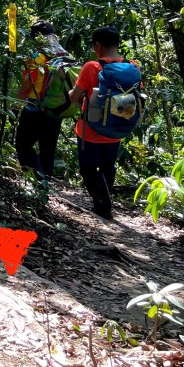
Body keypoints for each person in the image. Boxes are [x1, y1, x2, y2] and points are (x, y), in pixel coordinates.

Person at [68, 25, 139, 220]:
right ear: (117, 44)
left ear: (98, 46)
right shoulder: (133, 67)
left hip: (90, 130)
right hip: (117, 128)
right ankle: (104, 203)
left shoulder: (92, 67)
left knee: (88, 169)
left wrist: (70, 89)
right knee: (108, 167)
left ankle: (102, 205)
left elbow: (74, 97)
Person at [14, 20, 69, 201]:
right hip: (56, 111)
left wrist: (15, 107)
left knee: (23, 146)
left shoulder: (37, 58)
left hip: (34, 110)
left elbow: (26, 87)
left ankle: (39, 182)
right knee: (48, 150)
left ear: (36, 37)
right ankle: (44, 191)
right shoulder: (65, 56)